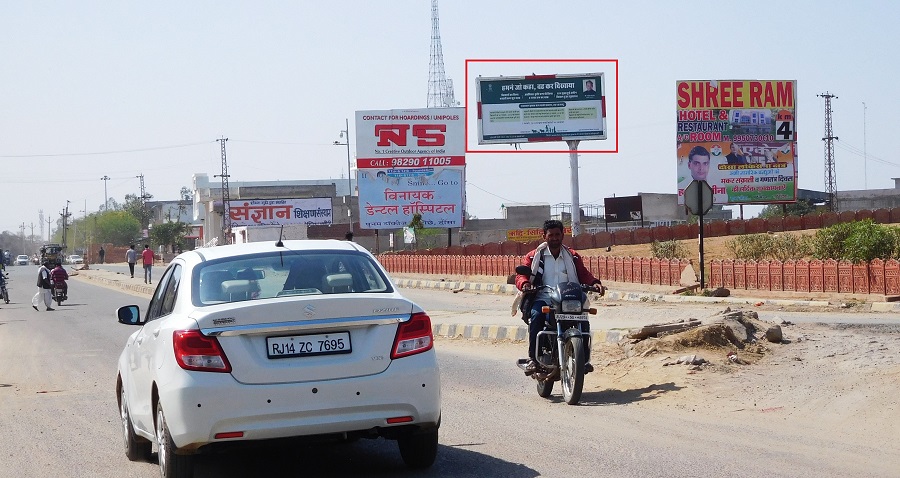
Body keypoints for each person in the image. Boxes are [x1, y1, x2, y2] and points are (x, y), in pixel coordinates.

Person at [515, 220, 604, 375]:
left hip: (568, 299)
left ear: (563, 235)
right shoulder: (534, 256)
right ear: (544, 236)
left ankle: (583, 360)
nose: (554, 238)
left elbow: (583, 274)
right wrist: (525, 284)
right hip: (543, 298)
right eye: (551, 235)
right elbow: (521, 275)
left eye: (557, 234)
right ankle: (533, 359)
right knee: (536, 316)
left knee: (583, 320)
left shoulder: (572, 256)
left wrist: (594, 283)